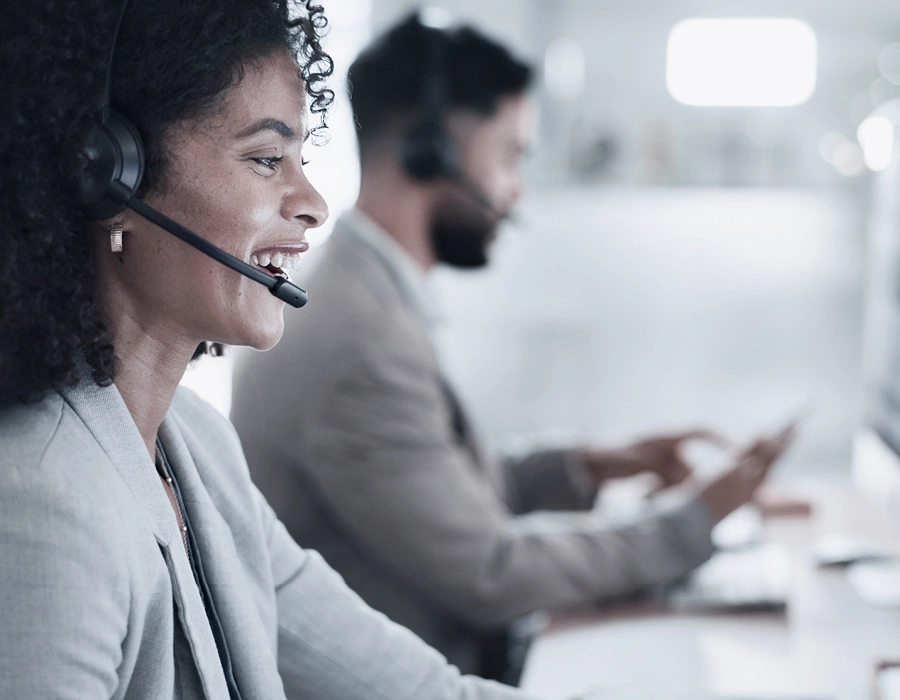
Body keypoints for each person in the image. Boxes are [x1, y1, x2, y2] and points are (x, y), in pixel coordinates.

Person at [0, 1, 551, 697]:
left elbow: (419, 691)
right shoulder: (42, 504)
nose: (315, 202)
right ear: (107, 177)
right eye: (266, 160)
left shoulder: (198, 452)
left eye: (301, 158)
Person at [230, 13, 792, 684]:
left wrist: (591, 464)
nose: (516, 189)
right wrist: (693, 521)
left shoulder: (366, 293)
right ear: (429, 152)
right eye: (508, 156)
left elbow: (440, 482)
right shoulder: (356, 338)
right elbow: (491, 571)